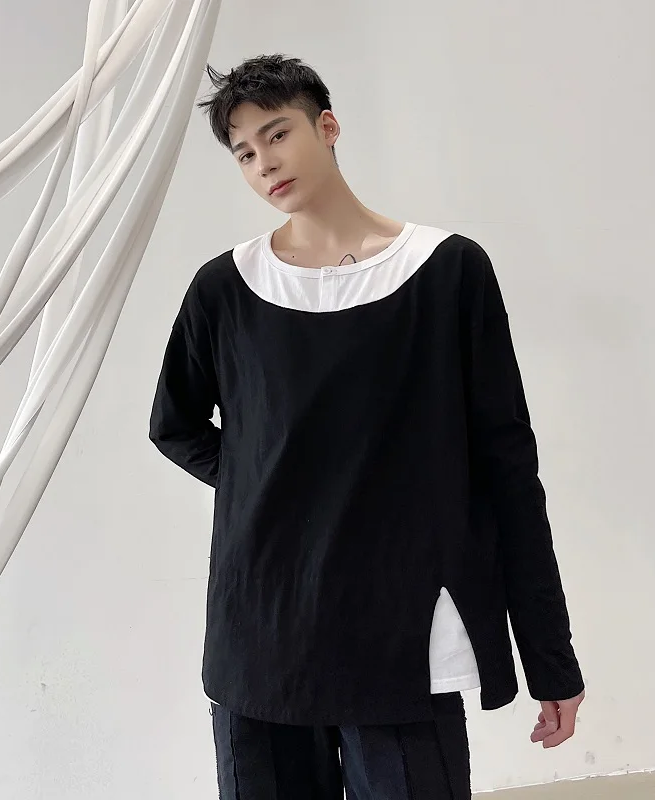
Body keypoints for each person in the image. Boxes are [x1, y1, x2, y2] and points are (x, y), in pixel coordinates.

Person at [149, 54, 584, 799]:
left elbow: (509, 468)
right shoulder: (225, 288)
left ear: (327, 126)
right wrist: (265, 483)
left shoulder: (447, 271)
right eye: (244, 153)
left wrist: (551, 658)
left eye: (276, 134)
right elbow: (175, 423)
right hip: (263, 630)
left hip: (405, 630)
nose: (264, 163)